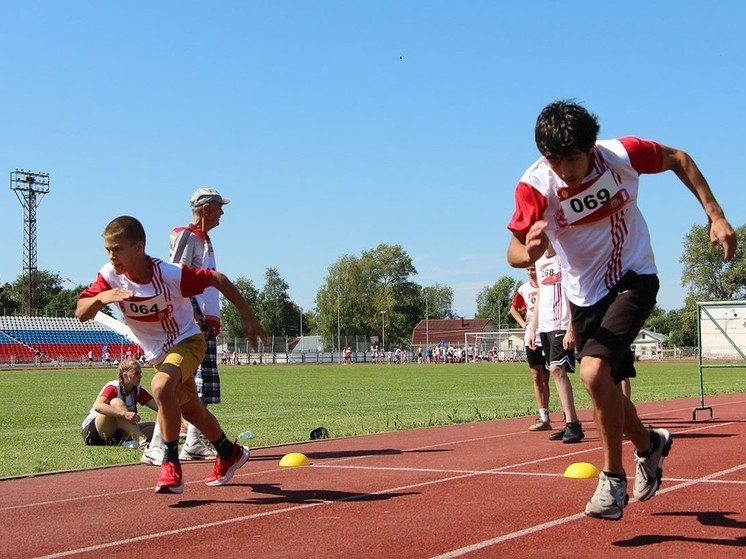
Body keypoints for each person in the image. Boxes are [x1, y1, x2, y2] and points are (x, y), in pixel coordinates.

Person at [507, 100, 736, 520]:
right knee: (603, 386)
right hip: (584, 295)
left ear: (591, 147)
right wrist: (530, 251)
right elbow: (513, 251)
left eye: (573, 158)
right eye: (555, 160)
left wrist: (715, 215)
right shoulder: (536, 185)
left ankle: (613, 482)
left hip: (634, 276)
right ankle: (650, 444)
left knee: (593, 372)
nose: (565, 170)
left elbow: (679, 159)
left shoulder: (621, 155)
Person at [77, 216, 268, 494]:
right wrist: (98, 299)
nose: (111, 256)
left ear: (139, 247)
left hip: (188, 341)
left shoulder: (168, 274)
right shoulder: (109, 276)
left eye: (117, 249)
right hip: (160, 357)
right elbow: (82, 313)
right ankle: (229, 452)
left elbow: (218, 279)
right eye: (108, 250)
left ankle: (170, 462)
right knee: (191, 411)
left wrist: (248, 317)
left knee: (160, 386)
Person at [144, 187, 230, 464]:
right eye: (218, 207)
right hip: (191, 322)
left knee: (200, 385)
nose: (222, 212)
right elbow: (175, 274)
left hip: (203, 321)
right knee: (179, 385)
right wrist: (191, 312)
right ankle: (157, 445)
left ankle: (192, 441)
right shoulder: (187, 235)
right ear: (206, 208)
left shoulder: (203, 240)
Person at [528, 243, 584, 443]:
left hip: (563, 321)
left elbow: (575, 291)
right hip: (545, 324)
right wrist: (533, 328)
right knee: (555, 371)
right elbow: (541, 293)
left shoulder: (565, 257)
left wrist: (571, 327)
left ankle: (573, 424)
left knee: (557, 369)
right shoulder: (540, 260)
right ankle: (569, 421)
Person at [81, 358, 157, 448]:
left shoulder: (137, 390)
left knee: (154, 427)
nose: (140, 376)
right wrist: (124, 414)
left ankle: (126, 443)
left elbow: (159, 408)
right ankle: (142, 442)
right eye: (136, 373)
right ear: (125, 375)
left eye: (140, 373)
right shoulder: (113, 387)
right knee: (116, 402)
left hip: (117, 433)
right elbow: (98, 406)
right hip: (95, 433)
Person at [509, 267, 549, 431]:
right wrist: (523, 323)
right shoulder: (523, 289)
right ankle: (543, 416)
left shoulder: (547, 285)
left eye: (533, 269)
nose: (531, 272)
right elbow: (513, 308)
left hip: (547, 332)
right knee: (536, 376)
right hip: (531, 336)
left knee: (548, 376)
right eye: (528, 270)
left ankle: (553, 414)